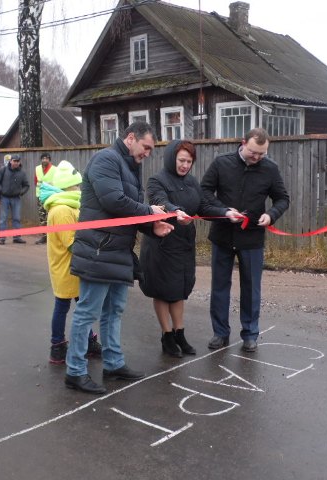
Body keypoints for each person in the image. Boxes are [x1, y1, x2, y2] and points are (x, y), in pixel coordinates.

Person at [65, 122, 174, 394]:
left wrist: (152, 226)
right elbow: (114, 201)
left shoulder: (130, 166)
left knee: (113, 311)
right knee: (87, 312)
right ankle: (75, 372)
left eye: (151, 149)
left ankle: (113, 364)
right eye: (146, 147)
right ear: (130, 138)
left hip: (118, 252)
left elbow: (129, 213)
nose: (148, 153)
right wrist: (150, 212)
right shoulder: (106, 159)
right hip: (98, 250)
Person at [139, 140, 234, 358]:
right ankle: (167, 336)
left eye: (189, 161)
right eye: (181, 160)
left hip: (183, 245)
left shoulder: (192, 182)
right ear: (172, 158)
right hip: (162, 244)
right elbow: (160, 202)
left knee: (179, 289)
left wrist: (226, 212)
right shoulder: (156, 180)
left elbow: (204, 206)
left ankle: (180, 333)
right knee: (163, 291)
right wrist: (176, 212)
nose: (185, 165)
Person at [201, 128, 289, 353]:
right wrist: (223, 211)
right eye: (253, 152)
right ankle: (220, 333)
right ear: (243, 143)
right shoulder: (221, 163)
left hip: (252, 238)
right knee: (220, 286)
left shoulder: (270, 169)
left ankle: (250, 334)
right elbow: (205, 192)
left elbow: (282, 199)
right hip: (222, 235)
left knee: (251, 288)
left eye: (262, 154)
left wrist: (271, 215)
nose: (257, 157)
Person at [38, 160, 102, 364]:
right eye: (77, 185)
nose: (79, 189)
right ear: (69, 186)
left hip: (74, 267)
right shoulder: (62, 210)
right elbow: (71, 243)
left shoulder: (69, 205)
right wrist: (94, 250)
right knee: (63, 306)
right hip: (67, 268)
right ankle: (57, 346)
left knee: (81, 306)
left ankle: (89, 341)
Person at [0, 153, 29, 245]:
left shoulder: (22, 173)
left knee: (16, 218)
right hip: (4, 198)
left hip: (16, 199)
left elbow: (26, 185)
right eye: (14, 161)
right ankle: (2, 238)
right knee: (3, 219)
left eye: (17, 161)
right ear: (10, 161)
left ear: (19, 162)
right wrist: (2, 190)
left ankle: (17, 237)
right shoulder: (3, 170)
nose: (16, 163)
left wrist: (21, 192)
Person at [34, 152, 56, 245]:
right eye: (43, 158)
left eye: (46, 158)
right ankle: (44, 237)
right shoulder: (37, 169)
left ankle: (53, 237)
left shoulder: (55, 169)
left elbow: (57, 181)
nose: (44, 160)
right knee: (42, 217)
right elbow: (36, 181)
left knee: (51, 216)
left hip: (51, 196)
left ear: (49, 160)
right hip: (40, 196)